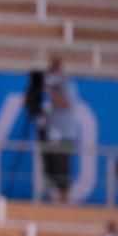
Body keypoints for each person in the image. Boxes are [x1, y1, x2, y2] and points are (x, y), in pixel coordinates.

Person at [42, 56, 78, 203]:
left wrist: (50, 90)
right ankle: (52, 198)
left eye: (53, 70)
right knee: (51, 169)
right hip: (51, 134)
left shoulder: (68, 85)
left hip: (64, 135)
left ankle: (64, 200)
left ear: (59, 70)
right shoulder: (48, 87)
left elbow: (64, 103)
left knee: (62, 170)